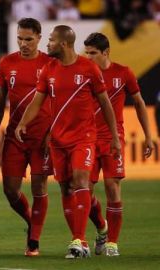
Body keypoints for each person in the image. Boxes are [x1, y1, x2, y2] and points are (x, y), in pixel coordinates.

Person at [14, 25, 121, 259]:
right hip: (58, 141)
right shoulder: (48, 70)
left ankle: (79, 241)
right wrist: (22, 123)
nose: (47, 44)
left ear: (63, 44)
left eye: (51, 40)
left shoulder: (88, 68)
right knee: (66, 187)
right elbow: (37, 102)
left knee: (81, 180)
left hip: (83, 138)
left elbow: (105, 104)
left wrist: (114, 137)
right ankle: (97, 227)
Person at [83, 32, 154, 256]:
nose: (89, 57)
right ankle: (101, 228)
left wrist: (148, 136)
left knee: (112, 187)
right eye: (87, 53)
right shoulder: (83, 74)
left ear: (106, 52)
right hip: (86, 139)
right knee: (84, 191)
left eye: (93, 53)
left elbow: (140, 103)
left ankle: (112, 242)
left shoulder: (123, 73)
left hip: (113, 139)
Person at [0, 18, 52, 256]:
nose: (23, 43)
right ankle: (31, 221)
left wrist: (51, 133)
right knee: (10, 190)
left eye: (28, 39)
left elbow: (59, 102)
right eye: (20, 38)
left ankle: (33, 241)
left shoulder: (50, 63)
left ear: (39, 38)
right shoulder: (7, 63)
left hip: (41, 137)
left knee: (39, 187)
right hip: (15, 135)